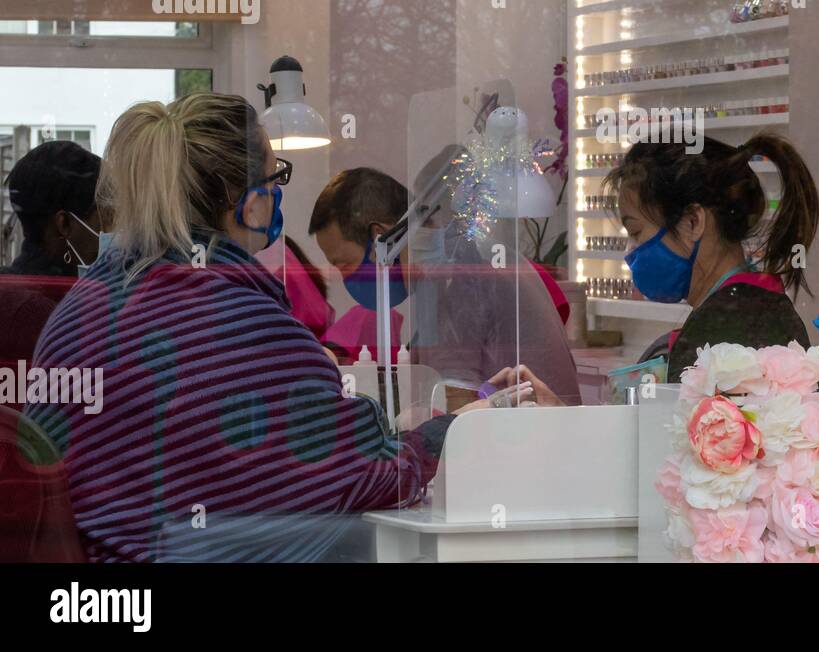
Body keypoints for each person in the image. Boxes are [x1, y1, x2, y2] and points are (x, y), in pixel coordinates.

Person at [23, 94, 500, 562]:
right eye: (276, 177)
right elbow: (364, 475)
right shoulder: (244, 322)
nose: (277, 194)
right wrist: (451, 432)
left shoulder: (74, 314)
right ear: (245, 203)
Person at [309, 167, 581, 402]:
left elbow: (448, 407)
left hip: (530, 447)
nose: (344, 277)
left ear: (379, 237)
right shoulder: (454, 265)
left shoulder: (462, 273)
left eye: (344, 264)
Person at [607, 133, 819, 382]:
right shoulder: (757, 305)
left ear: (692, 222)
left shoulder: (723, 332)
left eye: (636, 231)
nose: (630, 251)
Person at [0, 140, 102, 367]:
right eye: (102, 217)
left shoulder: (13, 290)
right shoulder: (47, 318)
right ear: (64, 224)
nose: (109, 230)